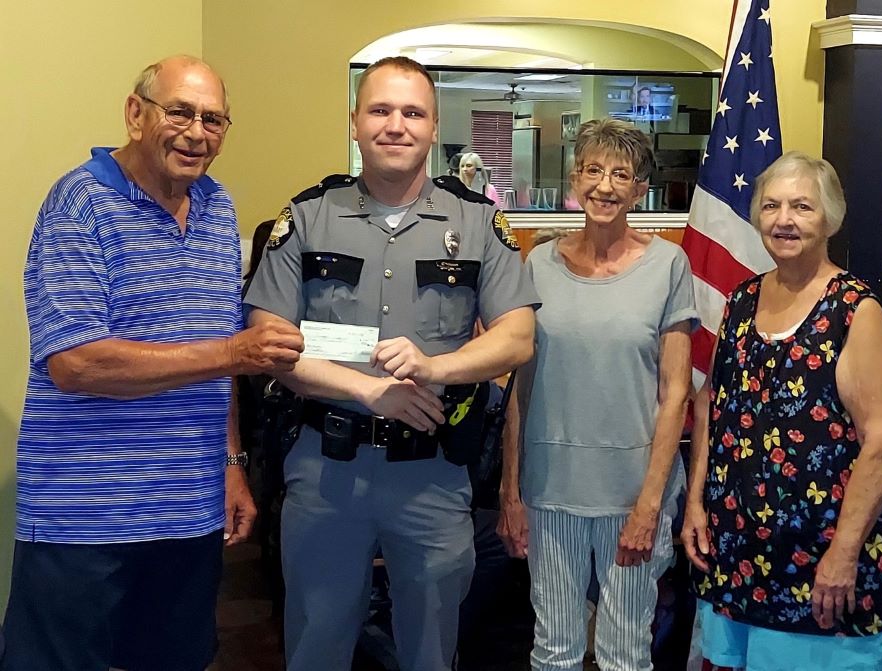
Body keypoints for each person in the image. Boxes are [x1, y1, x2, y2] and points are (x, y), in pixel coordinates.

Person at [0, 56, 305, 671]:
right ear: (136, 114)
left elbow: (215, 359)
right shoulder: (78, 205)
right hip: (83, 513)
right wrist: (234, 352)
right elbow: (76, 364)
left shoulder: (218, 209)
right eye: (181, 112)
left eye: (214, 119)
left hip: (187, 510)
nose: (197, 133)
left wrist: (230, 463)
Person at [243, 55, 539, 671]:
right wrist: (367, 390)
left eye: (412, 112)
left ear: (434, 127)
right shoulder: (305, 217)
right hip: (326, 474)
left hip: (430, 477)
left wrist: (434, 369)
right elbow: (269, 343)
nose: (395, 125)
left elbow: (516, 339)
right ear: (355, 122)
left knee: (431, 651)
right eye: (379, 110)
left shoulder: (479, 223)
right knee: (315, 645)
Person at [682, 152, 882, 670]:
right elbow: (712, 403)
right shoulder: (739, 300)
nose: (785, 220)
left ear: (828, 218)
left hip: (823, 568)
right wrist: (695, 502)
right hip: (737, 555)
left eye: (802, 206)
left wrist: (844, 553)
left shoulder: (854, 310)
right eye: (772, 205)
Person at [498, 117, 698, 671]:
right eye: (592, 170)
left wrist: (651, 503)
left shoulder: (667, 265)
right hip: (549, 489)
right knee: (554, 648)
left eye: (620, 174)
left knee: (624, 653)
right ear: (573, 180)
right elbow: (521, 387)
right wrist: (511, 490)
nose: (604, 186)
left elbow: (675, 391)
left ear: (639, 190)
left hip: (632, 494)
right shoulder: (537, 262)